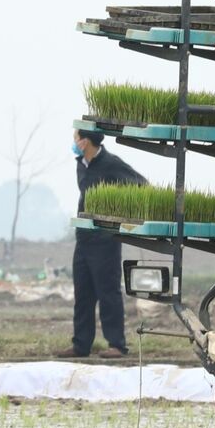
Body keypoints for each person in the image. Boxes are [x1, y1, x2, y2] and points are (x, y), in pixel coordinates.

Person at [59, 131, 146, 359]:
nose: (74, 142)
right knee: (83, 294)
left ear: (85, 141)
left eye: (76, 137)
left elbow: (141, 185)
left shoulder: (111, 163)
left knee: (108, 293)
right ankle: (81, 345)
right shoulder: (82, 164)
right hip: (84, 238)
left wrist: (119, 214)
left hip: (105, 240)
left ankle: (116, 344)